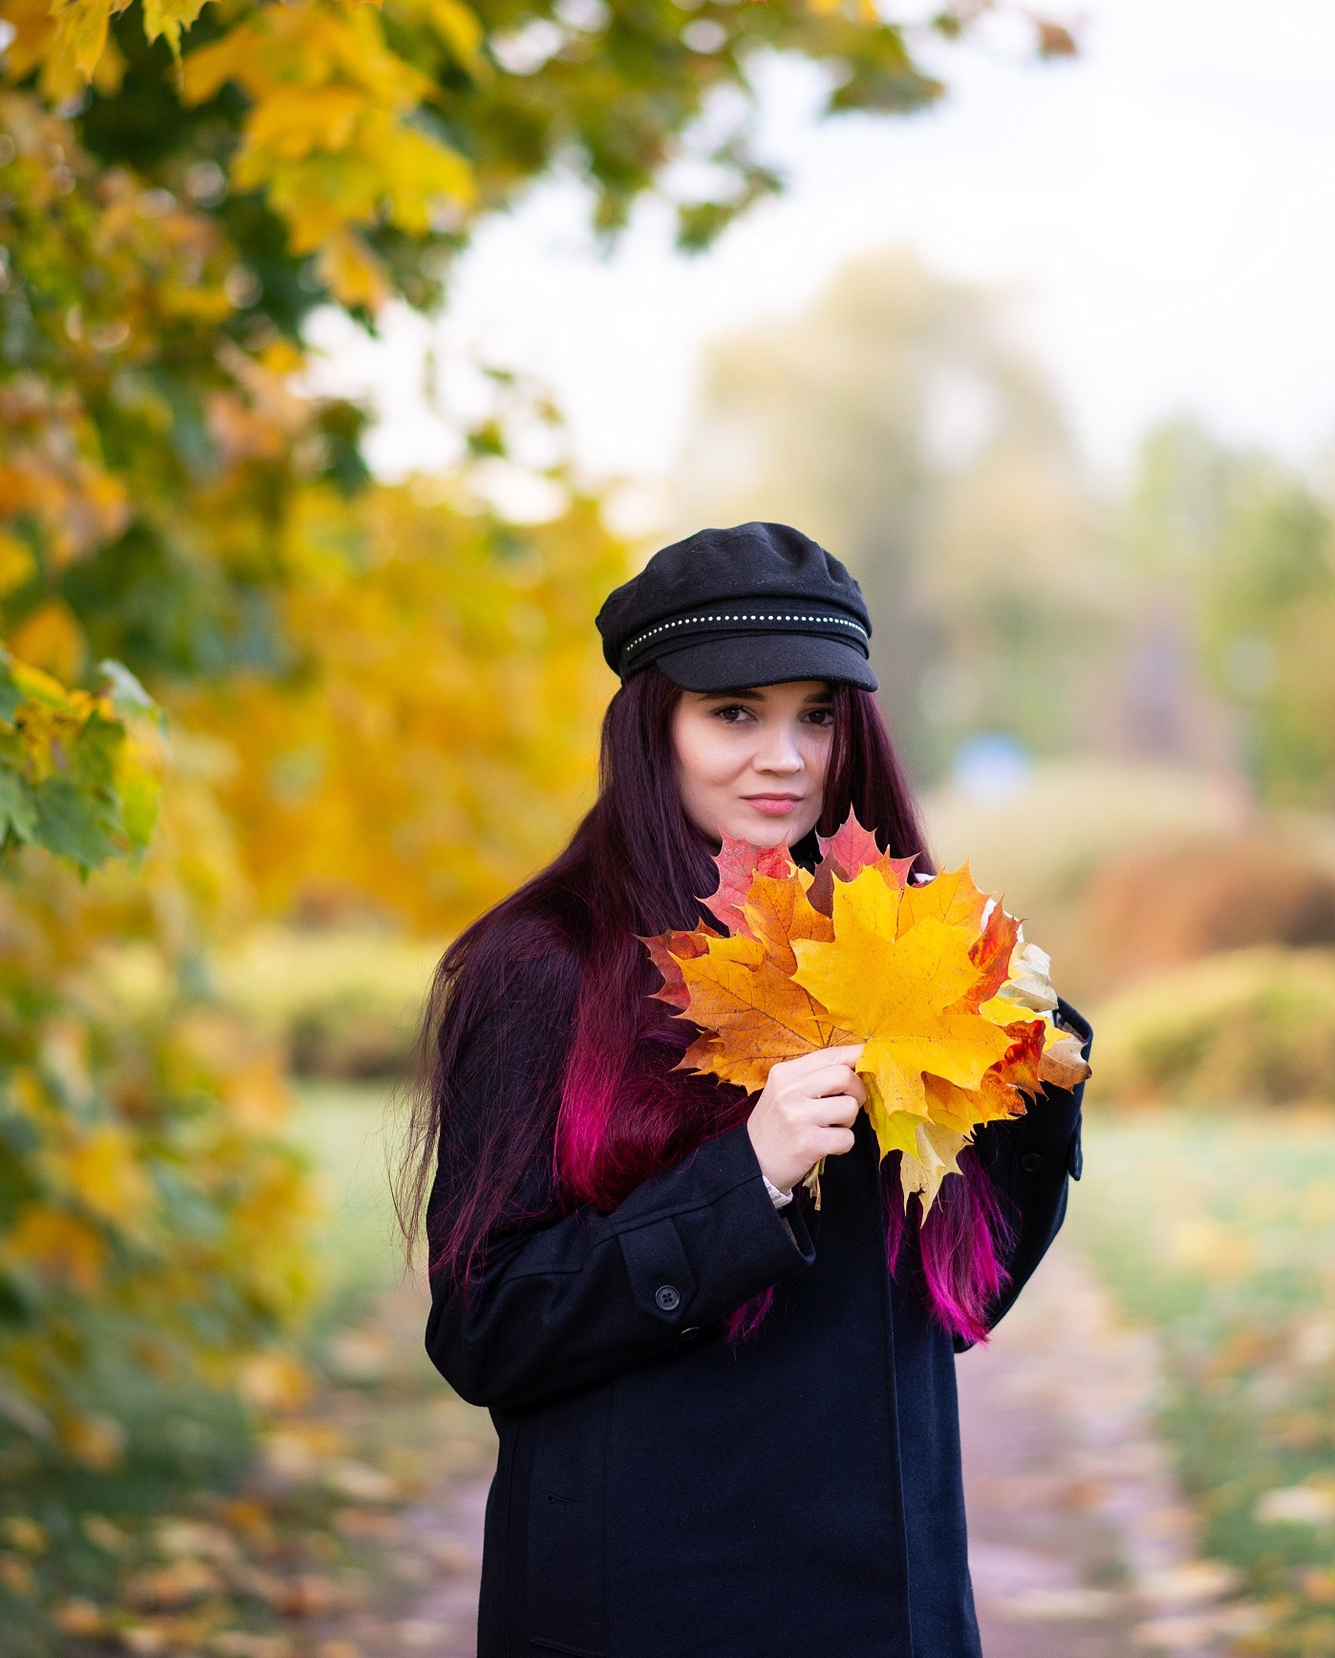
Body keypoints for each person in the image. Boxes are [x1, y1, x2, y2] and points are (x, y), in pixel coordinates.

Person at [405, 522, 1091, 1658]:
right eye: (735, 713)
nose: (786, 757)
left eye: (815, 715)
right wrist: (744, 1181)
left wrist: (1034, 1088)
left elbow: (959, 1302)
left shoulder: (891, 949)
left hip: (878, 1606)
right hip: (643, 1602)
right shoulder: (542, 967)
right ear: (653, 726)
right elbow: (485, 1328)